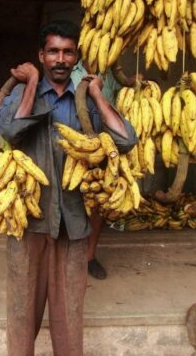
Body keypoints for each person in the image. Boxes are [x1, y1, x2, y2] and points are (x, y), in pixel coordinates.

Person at [0, 20, 137, 355]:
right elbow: (12, 132)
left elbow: (126, 140)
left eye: (67, 52)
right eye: (53, 51)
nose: (60, 59)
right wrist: (29, 84)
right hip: (27, 222)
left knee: (70, 317)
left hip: (73, 225)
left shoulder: (84, 101)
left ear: (76, 57)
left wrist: (99, 94)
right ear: (41, 55)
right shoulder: (19, 94)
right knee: (21, 315)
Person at [71, 61, 121, 280]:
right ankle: (68, 257)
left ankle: (89, 257)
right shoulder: (70, 70)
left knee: (98, 204)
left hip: (104, 145)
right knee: (71, 199)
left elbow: (117, 105)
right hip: (74, 145)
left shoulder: (110, 74)